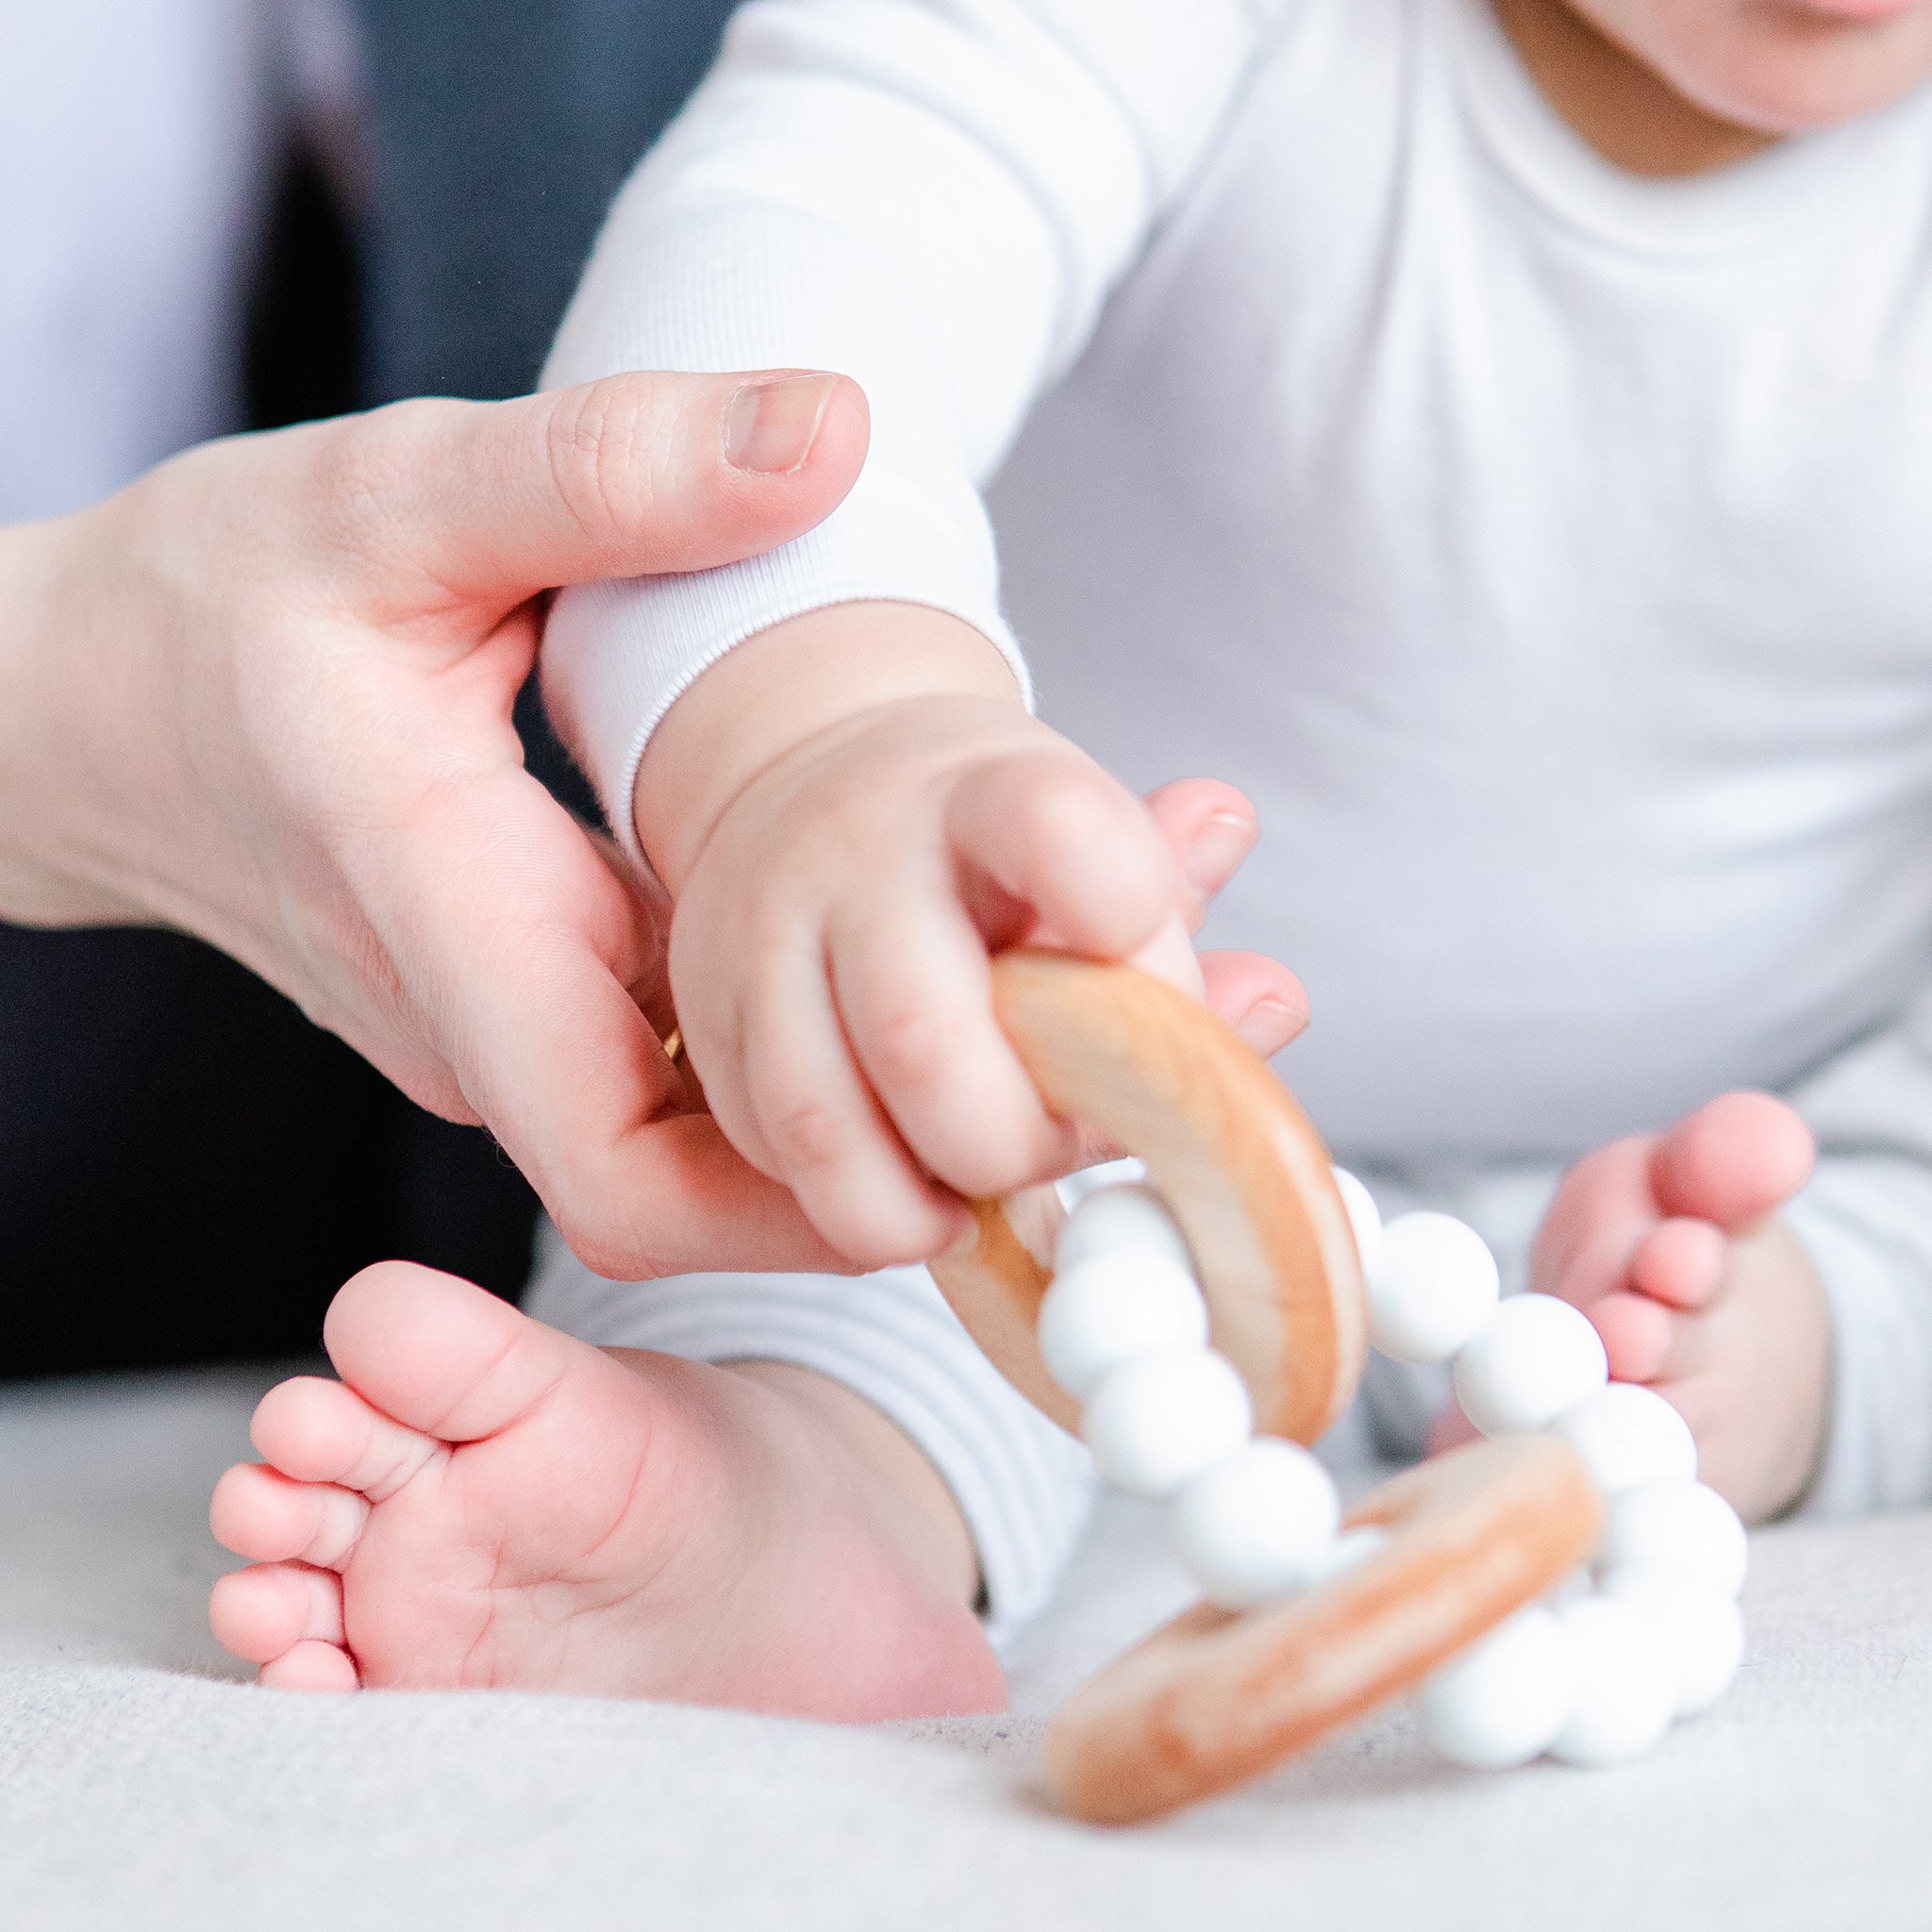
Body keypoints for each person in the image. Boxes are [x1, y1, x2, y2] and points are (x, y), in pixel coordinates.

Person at [208, 0, 1932, 1714]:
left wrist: (1823, 1321)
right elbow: (807, 241)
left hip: (1769, 1149)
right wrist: (828, 734)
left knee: (1829, 1279)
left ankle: (1768, 1364)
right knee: (827, 1133)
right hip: (1044, 1112)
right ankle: (796, 1510)